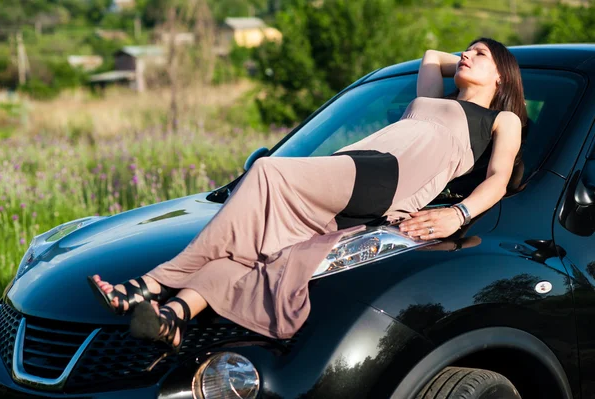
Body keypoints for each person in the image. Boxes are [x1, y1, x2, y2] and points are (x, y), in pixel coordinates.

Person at [87, 37, 527, 371]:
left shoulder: (500, 120)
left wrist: (458, 214)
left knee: (265, 172)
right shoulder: (433, 97)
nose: (467, 56)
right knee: (255, 258)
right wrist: (473, 65)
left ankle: (149, 284)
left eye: (481, 55)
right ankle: (174, 316)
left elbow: (497, 180)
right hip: (358, 168)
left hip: (388, 179)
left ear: (502, 76)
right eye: (467, 51)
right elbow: (432, 55)